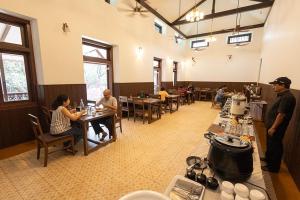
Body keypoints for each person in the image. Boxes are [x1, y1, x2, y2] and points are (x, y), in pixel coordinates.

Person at [262, 77, 296, 172]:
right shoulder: (281, 95)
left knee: (275, 146)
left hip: (277, 128)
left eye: (275, 84)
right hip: (272, 126)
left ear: (283, 85)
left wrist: (273, 127)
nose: (273, 86)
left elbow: (281, 114)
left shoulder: (287, 97)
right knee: (270, 144)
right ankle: (268, 159)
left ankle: (273, 167)